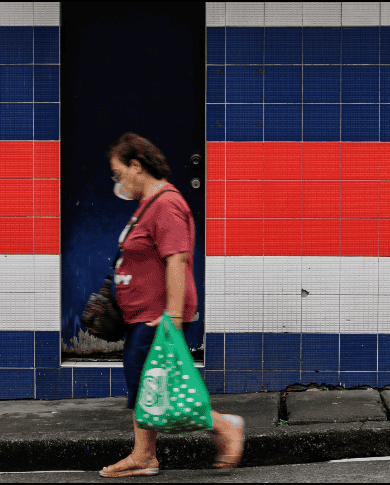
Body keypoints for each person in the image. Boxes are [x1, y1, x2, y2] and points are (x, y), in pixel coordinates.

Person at [100, 133, 245, 478]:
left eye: (119, 173)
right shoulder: (149, 204)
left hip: (159, 315)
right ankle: (144, 455)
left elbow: (177, 260)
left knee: (151, 382)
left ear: (137, 165)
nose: (118, 181)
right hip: (146, 313)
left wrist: (173, 318)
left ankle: (224, 427)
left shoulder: (166, 203)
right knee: (147, 383)